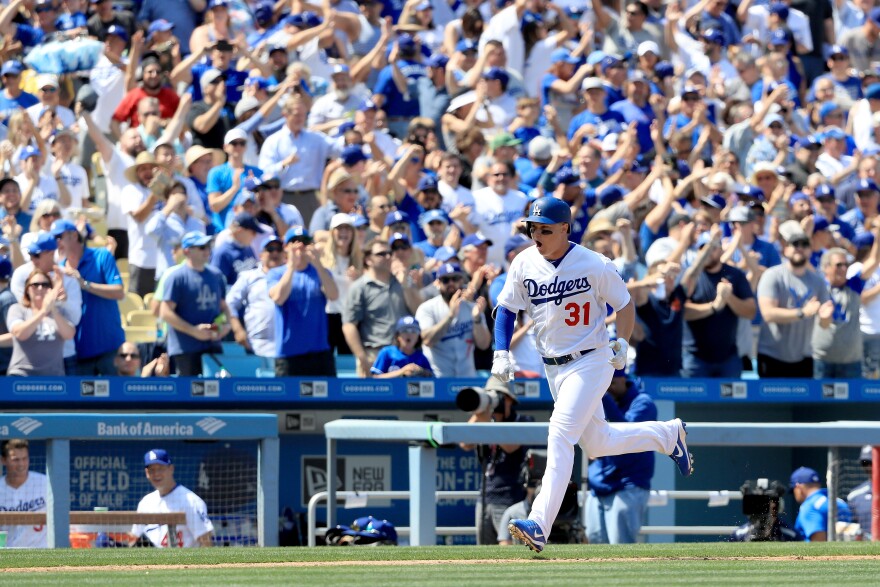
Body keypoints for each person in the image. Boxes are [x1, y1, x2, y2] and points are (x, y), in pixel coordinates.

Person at [495, 197, 693, 553]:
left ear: (565, 229)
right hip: (553, 366)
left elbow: (625, 303)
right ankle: (667, 435)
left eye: (545, 229)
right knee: (598, 443)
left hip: (590, 360)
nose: (536, 235)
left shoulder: (593, 263)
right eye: (532, 228)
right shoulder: (523, 262)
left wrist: (623, 341)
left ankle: (539, 523)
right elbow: (506, 309)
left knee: (559, 433)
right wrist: (500, 350)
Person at [459, 376, 534, 545]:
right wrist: (479, 412)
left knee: (509, 553)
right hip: (485, 498)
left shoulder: (522, 421)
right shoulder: (484, 420)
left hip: (510, 498)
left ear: (508, 399)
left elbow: (510, 447)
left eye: (497, 396)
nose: (493, 402)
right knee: (485, 554)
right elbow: (464, 443)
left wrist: (489, 421)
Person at [586, 369, 658, 544]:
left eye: (611, 383)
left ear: (623, 379)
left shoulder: (643, 403)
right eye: (604, 384)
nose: (608, 388)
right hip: (599, 487)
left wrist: (602, 395)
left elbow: (624, 439)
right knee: (593, 552)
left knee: (621, 550)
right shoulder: (599, 403)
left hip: (628, 485)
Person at [757, 220, 831, 377]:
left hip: (804, 356)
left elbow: (825, 324)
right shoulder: (772, 275)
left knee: (802, 403)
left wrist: (825, 317)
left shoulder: (817, 281)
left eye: (804, 244)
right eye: (794, 243)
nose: (799, 248)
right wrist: (802, 312)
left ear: (810, 250)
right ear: (785, 249)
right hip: (772, 355)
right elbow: (768, 314)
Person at [53, 219, 125, 376]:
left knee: (117, 400)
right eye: (53, 238)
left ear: (73, 235)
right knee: (80, 401)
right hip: (78, 352)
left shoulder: (102, 256)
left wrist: (84, 284)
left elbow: (119, 292)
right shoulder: (59, 269)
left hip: (109, 347)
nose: (56, 242)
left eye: (59, 237)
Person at [267, 227, 339, 377]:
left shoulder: (320, 272)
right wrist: (292, 266)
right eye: (294, 242)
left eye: (304, 242)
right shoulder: (276, 273)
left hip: (319, 353)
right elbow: (278, 298)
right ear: (286, 247)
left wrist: (318, 264)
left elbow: (333, 295)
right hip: (289, 354)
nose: (299, 247)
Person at [343, 238, 419, 377]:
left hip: (405, 354)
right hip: (374, 354)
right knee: (372, 399)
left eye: (390, 253)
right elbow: (349, 326)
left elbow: (418, 312)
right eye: (381, 254)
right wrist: (361, 357)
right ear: (368, 260)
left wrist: (406, 285)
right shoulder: (359, 287)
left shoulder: (403, 281)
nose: (388, 257)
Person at [159, 232, 232, 376]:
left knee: (218, 393)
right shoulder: (176, 277)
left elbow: (223, 307)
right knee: (190, 394)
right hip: (186, 348)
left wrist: (223, 327)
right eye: (201, 247)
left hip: (213, 345)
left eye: (208, 246)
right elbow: (165, 312)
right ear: (187, 251)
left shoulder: (216, 275)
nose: (207, 251)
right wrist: (194, 331)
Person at [415, 262, 491, 377]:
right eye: (445, 280)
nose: (451, 283)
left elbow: (484, 344)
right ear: (438, 283)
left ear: (462, 281)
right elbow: (427, 340)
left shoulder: (472, 308)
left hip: (467, 378)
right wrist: (450, 316)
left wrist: (477, 319)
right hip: (438, 378)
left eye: (455, 279)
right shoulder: (427, 308)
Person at [128, 449, 214, 548]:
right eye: (152, 470)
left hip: (183, 560)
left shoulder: (191, 501)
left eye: (160, 468)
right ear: (147, 473)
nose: (156, 474)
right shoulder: (145, 502)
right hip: (152, 561)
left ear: (171, 469)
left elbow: (206, 541)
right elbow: (134, 538)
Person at [7, 269, 75, 376]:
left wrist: (53, 309)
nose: (40, 288)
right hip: (21, 375)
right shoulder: (17, 309)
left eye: (45, 285)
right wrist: (43, 311)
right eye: (35, 285)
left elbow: (69, 334)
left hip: (53, 377)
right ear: (27, 289)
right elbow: (20, 333)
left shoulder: (60, 311)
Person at [0, 439, 47, 548]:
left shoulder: (45, 483)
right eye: (15, 460)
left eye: (24, 459)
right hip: (7, 553)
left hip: (41, 551)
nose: (21, 464)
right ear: (3, 460)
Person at [790, 466, 853, 542]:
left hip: (829, 552)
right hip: (847, 550)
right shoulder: (839, 501)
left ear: (798, 488)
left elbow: (818, 542)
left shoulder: (809, 506)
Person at [847, 445, 874, 539]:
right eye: (865, 463)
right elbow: (851, 525)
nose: (869, 466)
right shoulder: (854, 495)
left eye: (872, 462)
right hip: (867, 549)